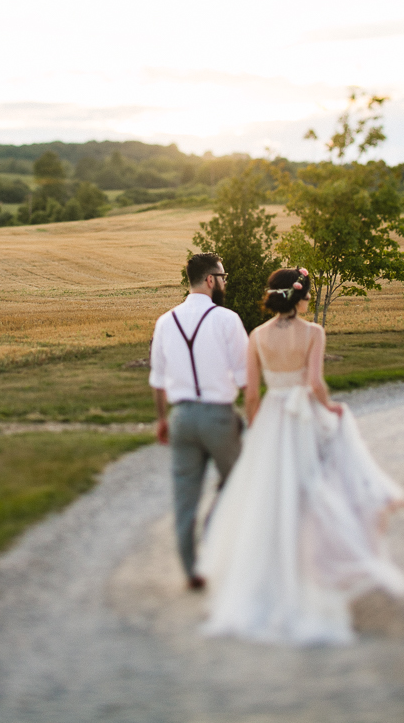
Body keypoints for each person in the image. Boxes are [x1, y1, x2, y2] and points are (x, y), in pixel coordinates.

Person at [196, 267, 404, 645]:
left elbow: (251, 396)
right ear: (302, 296)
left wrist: (258, 428)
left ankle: (266, 578)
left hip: (272, 419)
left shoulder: (256, 336)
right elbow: (314, 384)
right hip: (302, 419)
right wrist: (330, 409)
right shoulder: (314, 333)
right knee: (311, 493)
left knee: (268, 498)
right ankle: (312, 574)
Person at [149, 252, 249, 591]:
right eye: (223, 276)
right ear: (210, 280)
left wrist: (163, 420)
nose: (224, 282)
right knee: (238, 483)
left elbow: (158, 380)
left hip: (181, 417)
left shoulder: (165, 322)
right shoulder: (227, 320)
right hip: (218, 417)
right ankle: (214, 531)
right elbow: (245, 377)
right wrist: (254, 414)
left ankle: (192, 571)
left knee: (184, 496)